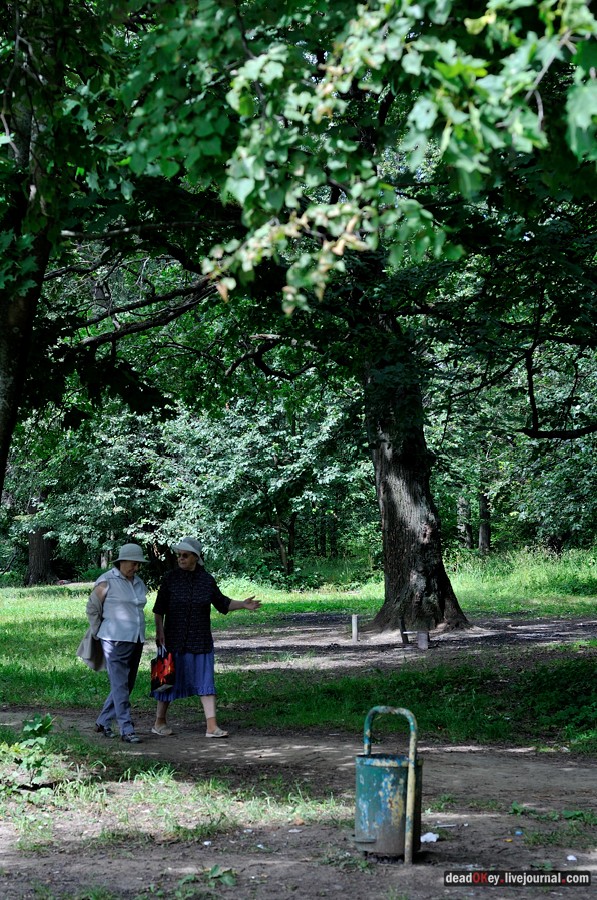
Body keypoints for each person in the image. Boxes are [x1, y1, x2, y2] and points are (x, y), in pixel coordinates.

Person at [151, 536, 261, 738]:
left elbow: (222, 603)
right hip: (173, 640)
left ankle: (211, 726)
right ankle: (159, 722)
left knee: (206, 682)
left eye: (185, 555)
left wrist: (243, 604)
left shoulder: (206, 580)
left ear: (196, 557)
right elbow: (159, 609)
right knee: (167, 681)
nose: (181, 559)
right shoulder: (170, 579)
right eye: (179, 555)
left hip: (200, 640)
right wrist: (159, 632)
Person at [94, 543, 148, 744]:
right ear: (122, 561)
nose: (136, 567)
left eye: (138, 564)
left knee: (127, 684)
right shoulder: (106, 581)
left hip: (136, 639)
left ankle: (103, 720)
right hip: (114, 639)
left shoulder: (139, 582)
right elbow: (93, 608)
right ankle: (127, 729)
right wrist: (97, 632)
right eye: (133, 563)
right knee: (120, 685)